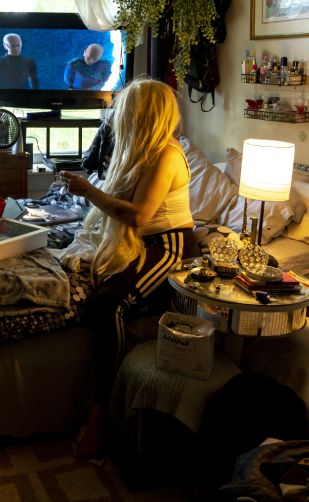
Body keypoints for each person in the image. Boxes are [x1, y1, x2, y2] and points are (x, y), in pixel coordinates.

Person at [59, 77, 193, 459]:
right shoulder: (142, 152)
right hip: (141, 245)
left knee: (106, 303)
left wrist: (88, 190)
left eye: (125, 112)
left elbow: (137, 216)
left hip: (169, 248)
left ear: (142, 115)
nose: (118, 118)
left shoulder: (168, 155)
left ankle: (103, 416)